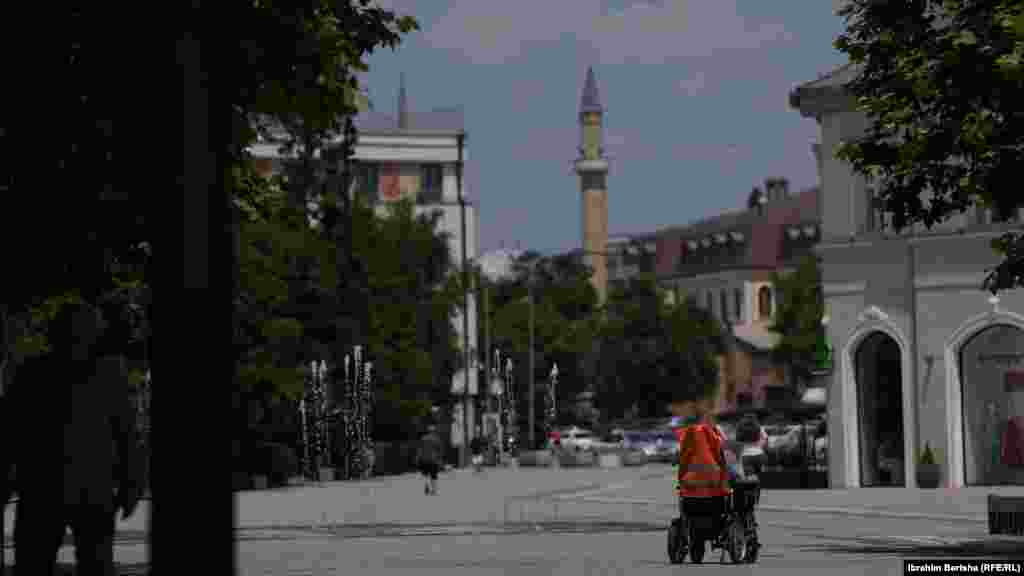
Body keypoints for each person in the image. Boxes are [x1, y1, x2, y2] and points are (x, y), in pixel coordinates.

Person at [0, 300, 143, 576]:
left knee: (63, 563)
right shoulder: (35, 374)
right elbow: (9, 433)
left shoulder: (104, 374)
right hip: (61, 489)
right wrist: (131, 483)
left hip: (58, 489)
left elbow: (9, 434)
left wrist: (131, 482)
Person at [671, 398, 733, 534]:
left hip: (690, 495)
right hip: (714, 494)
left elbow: (676, 459)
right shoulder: (715, 434)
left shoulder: (685, 436)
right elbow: (725, 456)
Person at [416, 425, 443, 495]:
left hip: (424, 459)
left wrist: (418, 457)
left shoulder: (423, 438)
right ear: (434, 431)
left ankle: (426, 484)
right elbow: (439, 450)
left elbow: (420, 449)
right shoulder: (436, 439)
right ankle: (434, 490)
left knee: (425, 474)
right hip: (433, 460)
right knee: (434, 475)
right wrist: (440, 459)